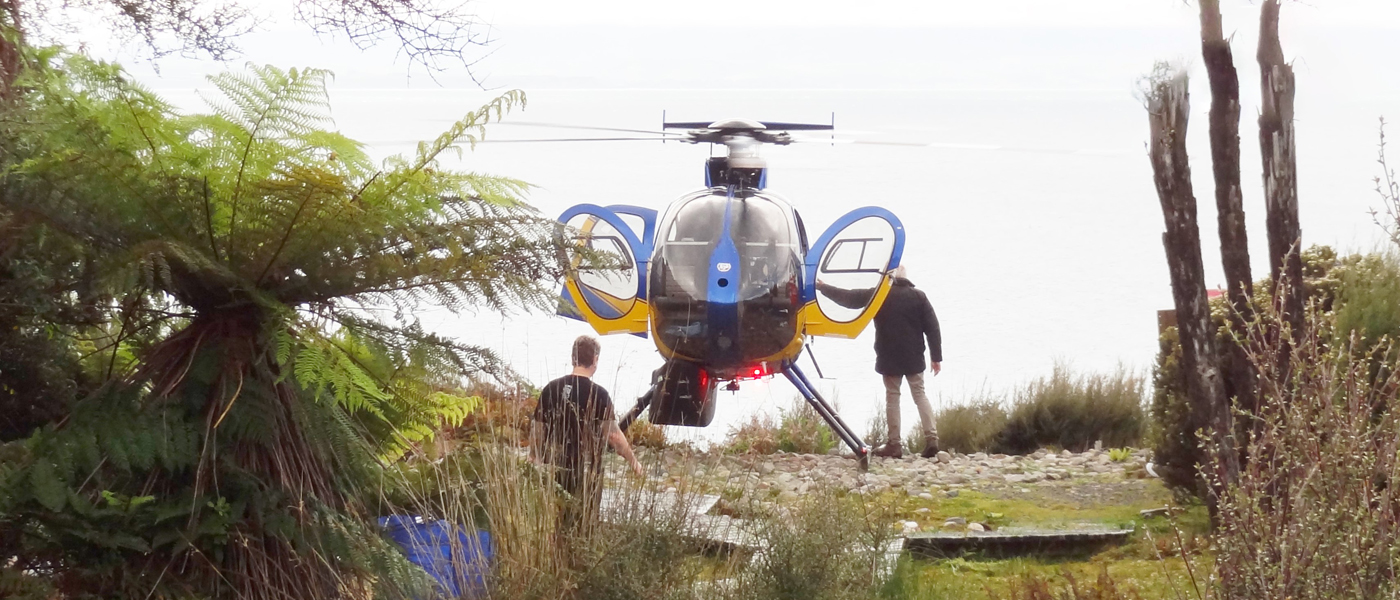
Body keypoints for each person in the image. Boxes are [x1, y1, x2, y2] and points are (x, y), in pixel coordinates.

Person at [816, 264, 943, 459]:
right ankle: (932, 439)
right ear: (905, 277)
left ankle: (895, 444)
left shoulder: (880, 295)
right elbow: (932, 328)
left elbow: (849, 298)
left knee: (893, 397)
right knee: (920, 395)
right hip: (914, 355)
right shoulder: (919, 297)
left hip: (889, 356)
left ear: (888, 277)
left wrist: (823, 287)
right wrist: (936, 357)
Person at [530, 335, 644, 539]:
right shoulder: (598, 394)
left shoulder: (551, 388)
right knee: (584, 524)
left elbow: (538, 430)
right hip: (586, 471)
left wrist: (534, 457)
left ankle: (557, 561)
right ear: (595, 359)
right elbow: (614, 436)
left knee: (557, 522)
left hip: (554, 468)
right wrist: (632, 460)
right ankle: (578, 563)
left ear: (573, 357)